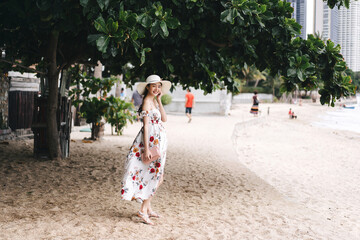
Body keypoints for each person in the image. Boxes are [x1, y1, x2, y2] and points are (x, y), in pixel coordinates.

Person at [120, 75, 171, 225]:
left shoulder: (154, 101)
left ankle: (147, 208)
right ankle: (143, 210)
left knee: (157, 175)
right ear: (147, 87)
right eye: (153, 86)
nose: (157, 89)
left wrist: (160, 100)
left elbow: (164, 119)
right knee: (156, 177)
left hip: (159, 141)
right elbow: (146, 126)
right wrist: (147, 149)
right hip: (151, 142)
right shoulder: (146, 103)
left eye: (159, 86)